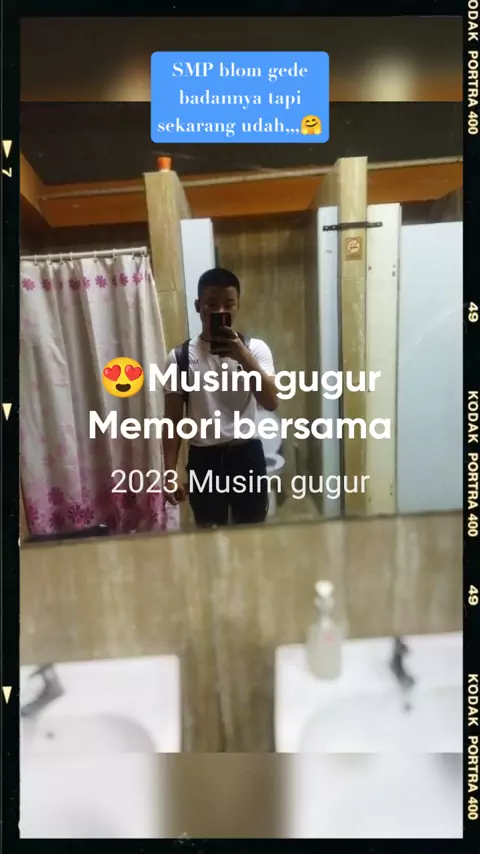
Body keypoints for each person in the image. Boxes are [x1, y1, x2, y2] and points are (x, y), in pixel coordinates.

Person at [162, 267, 278, 528]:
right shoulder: (179, 357)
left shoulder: (255, 349)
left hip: (246, 454)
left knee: (252, 534)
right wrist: (170, 471)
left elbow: (271, 401)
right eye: (211, 304)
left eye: (228, 304)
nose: (219, 311)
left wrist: (244, 357)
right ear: (198, 306)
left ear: (238, 306)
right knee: (209, 535)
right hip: (204, 458)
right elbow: (172, 420)